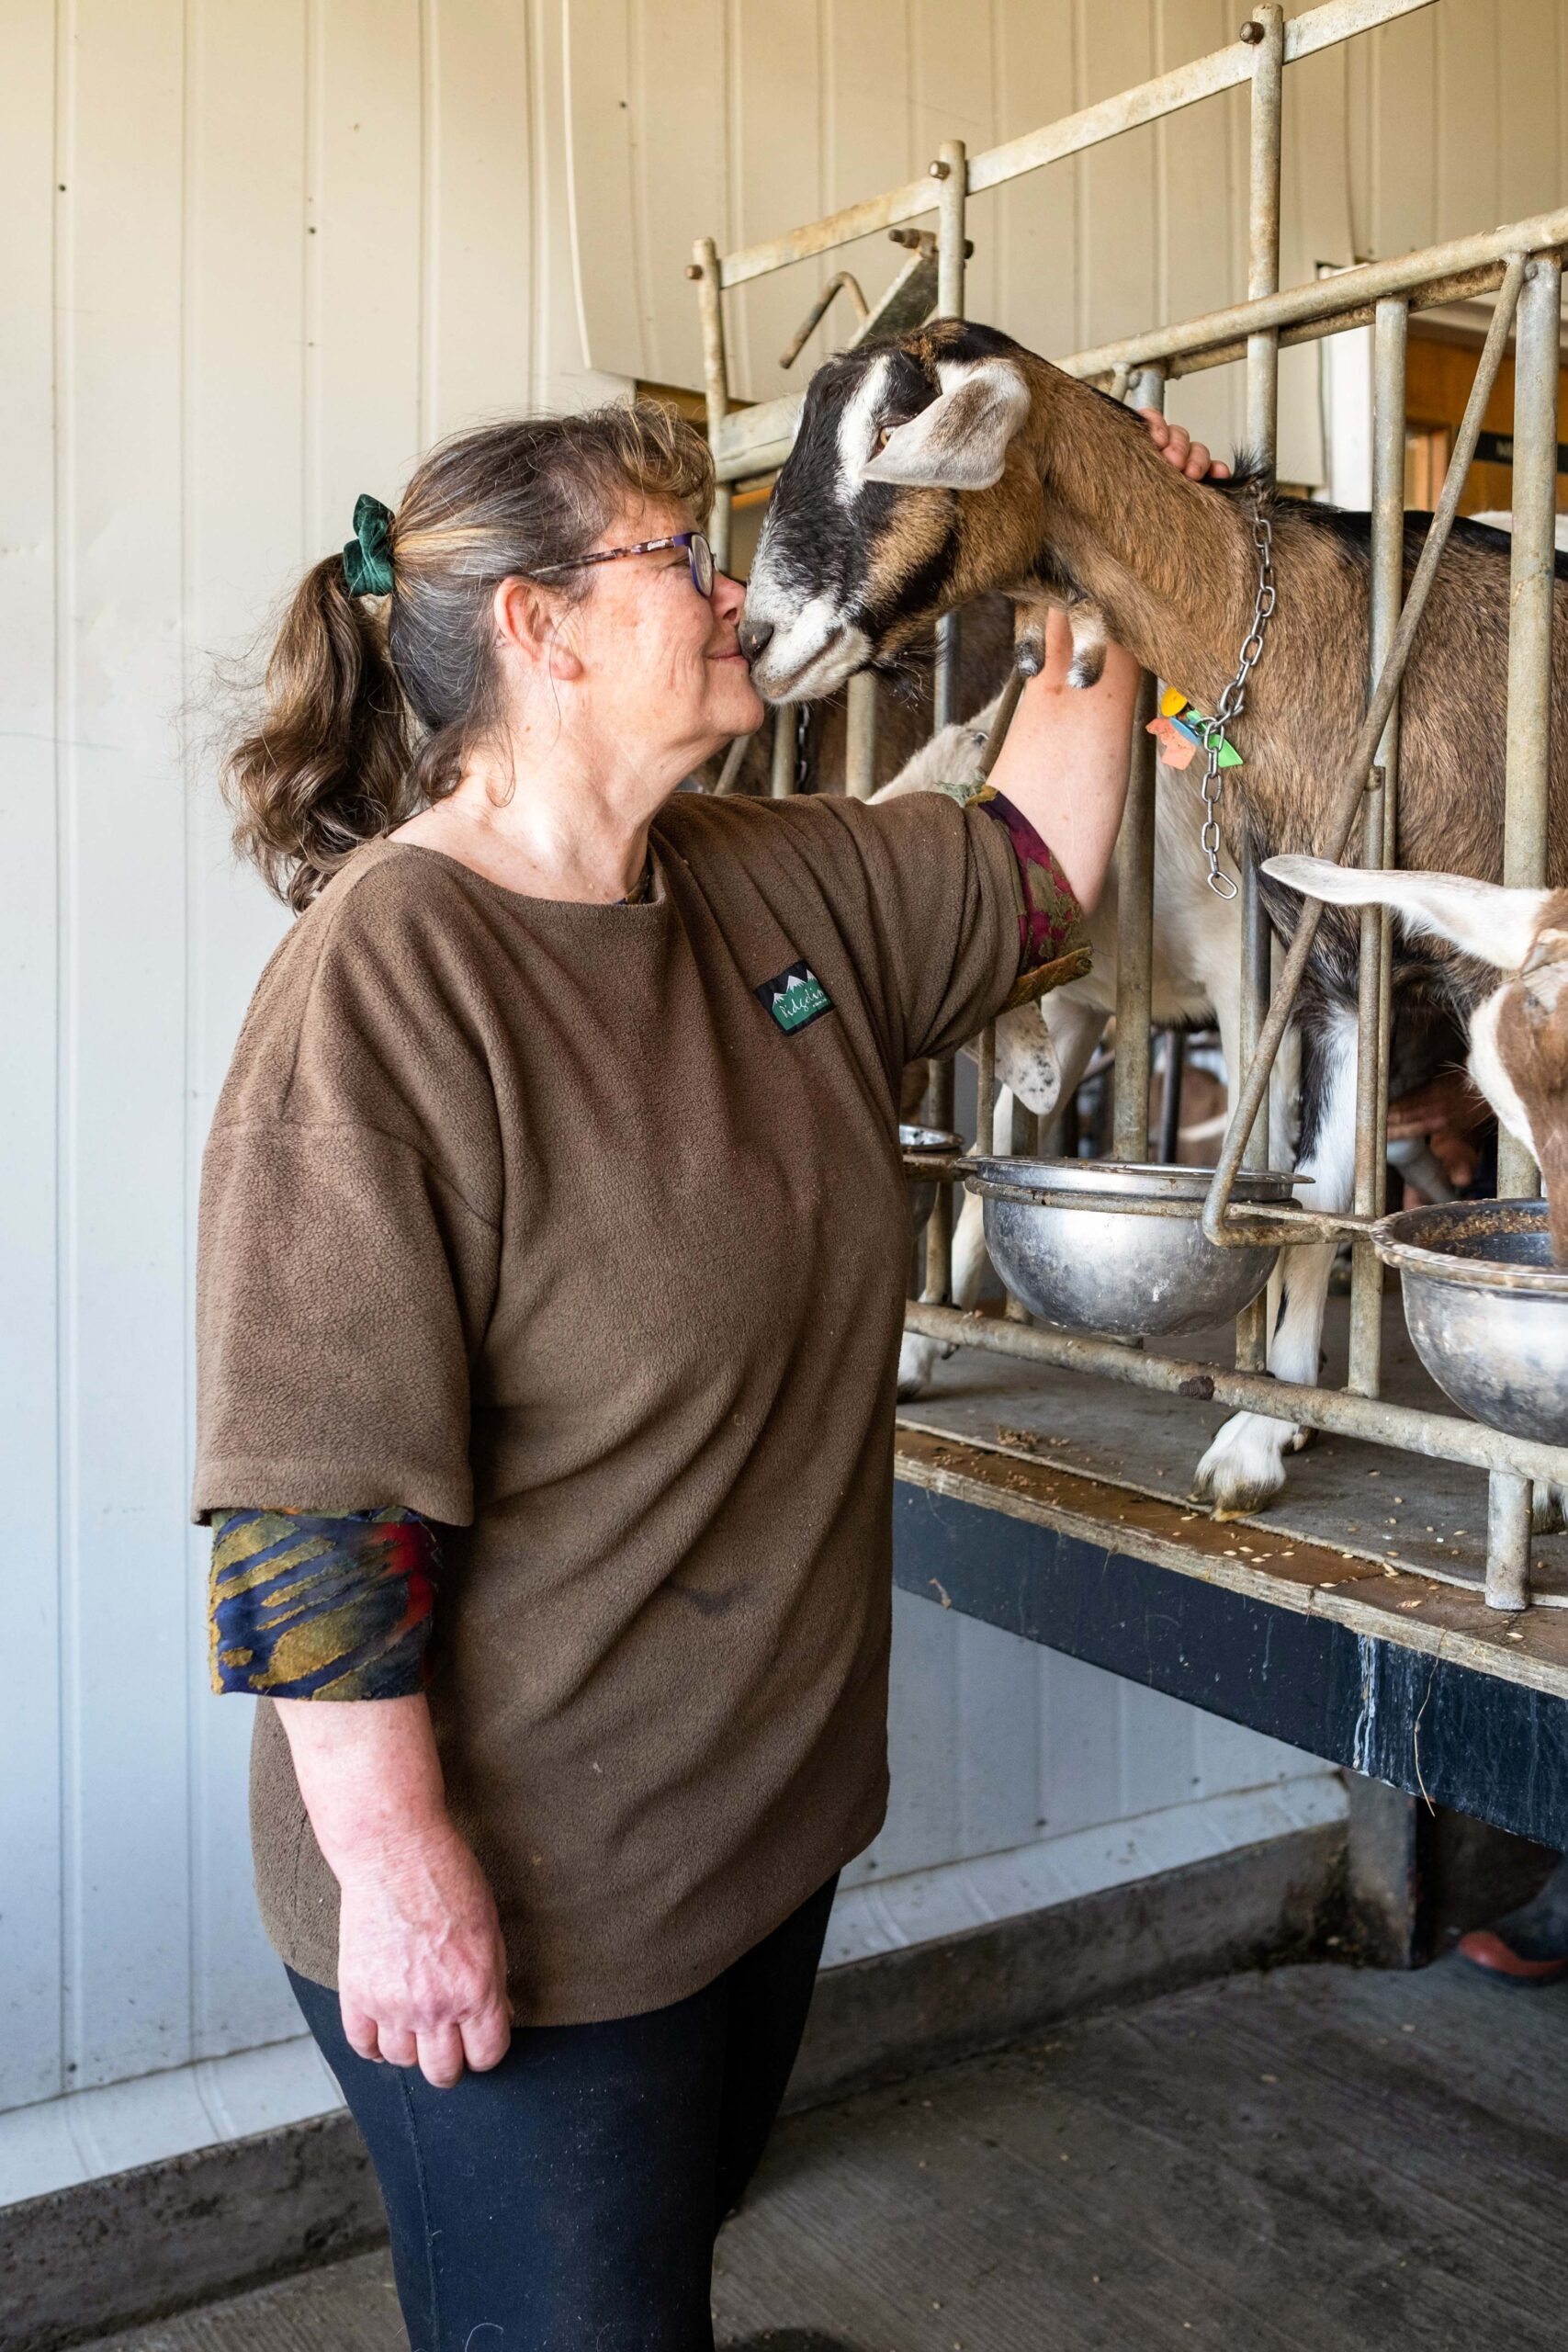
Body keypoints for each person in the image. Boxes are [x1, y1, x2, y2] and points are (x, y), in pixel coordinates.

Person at [196, 399, 1224, 2351]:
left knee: (659, 2270)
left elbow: (1030, 866)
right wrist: (400, 1866)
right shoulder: (388, 979)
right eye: (683, 555)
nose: (738, 587)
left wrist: (1102, 556)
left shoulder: (760, 878)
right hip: (531, 1893)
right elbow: (306, 1505)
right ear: (543, 628)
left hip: (748, 1833)